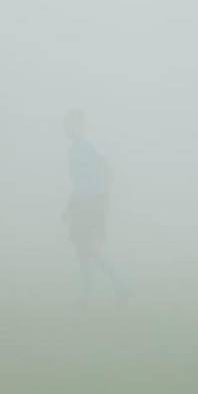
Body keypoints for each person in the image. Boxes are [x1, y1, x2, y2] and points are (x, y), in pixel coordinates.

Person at [62, 109, 126, 304]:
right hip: (80, 204)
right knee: (81, 250)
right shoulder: (73, 151)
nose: (68, 129)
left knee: (92, 248)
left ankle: (120, 284)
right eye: (67, 125)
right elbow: (78, 182)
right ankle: (88, 294)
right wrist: (70, 206)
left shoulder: (89, 148)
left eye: (72, 124)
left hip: (92, 204)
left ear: (80, 126)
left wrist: (103, 199)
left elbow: (106, 171)